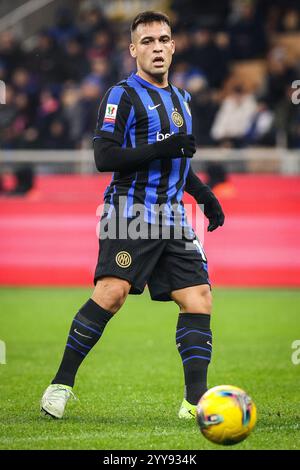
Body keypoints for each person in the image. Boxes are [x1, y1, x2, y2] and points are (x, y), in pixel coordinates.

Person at [40, 11, 224, 420]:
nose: (156, 48)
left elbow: (176, 160)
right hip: (130, 211)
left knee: (199, 298)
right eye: (147, 42)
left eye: (163, 40)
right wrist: (163, 147)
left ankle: (194, 403)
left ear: (173, 46)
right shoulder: (120, 95)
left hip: (174, 215)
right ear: (133, 50)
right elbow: (104, 156)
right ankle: (60, 385)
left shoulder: (182, 99)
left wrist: (204, 194)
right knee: (112, 293)